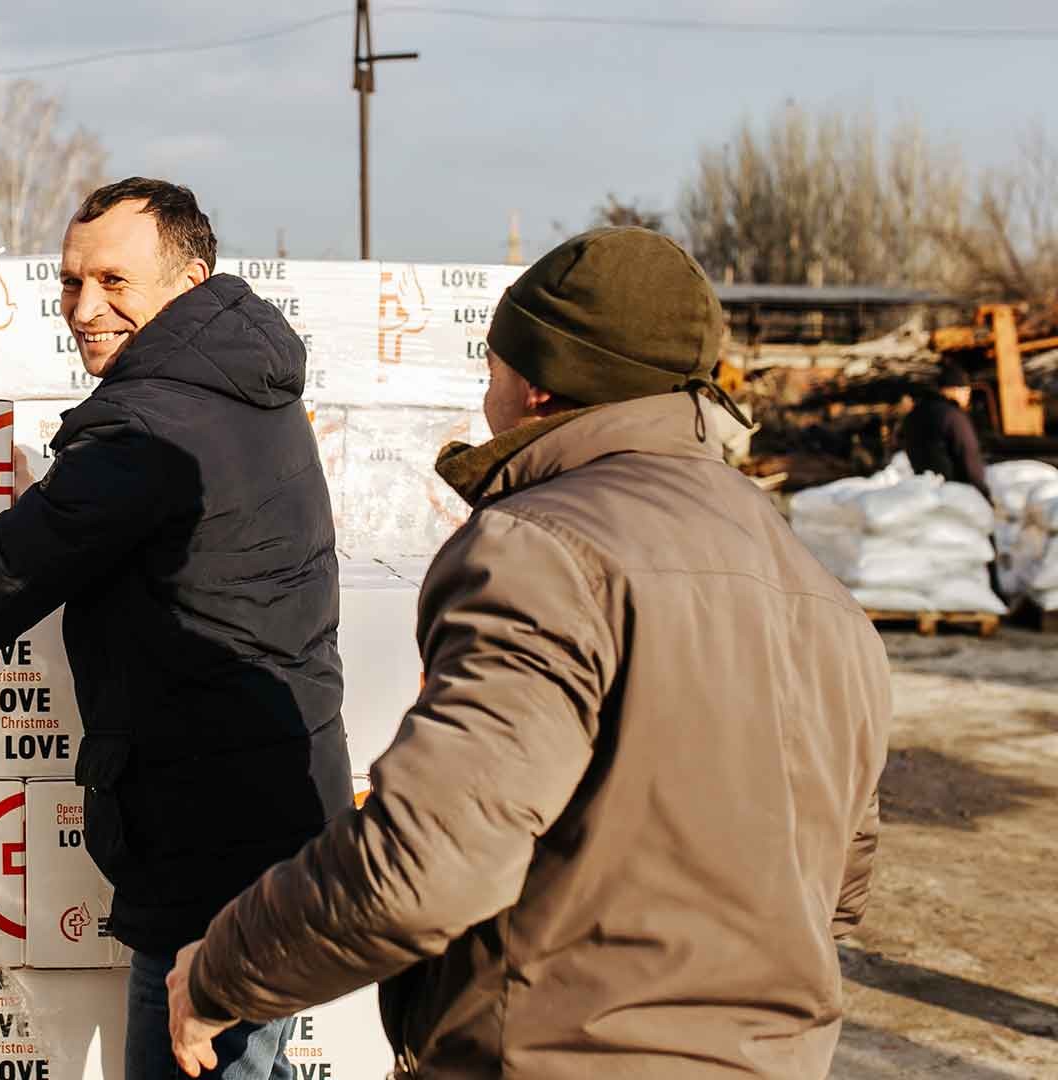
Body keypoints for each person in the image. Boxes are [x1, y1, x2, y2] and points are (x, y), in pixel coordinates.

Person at [163, 227, 893, 1079]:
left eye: (493, 368)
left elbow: (428, 861)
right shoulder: (819, 591)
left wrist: (222, 970)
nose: (486, 394)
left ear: (542, 386)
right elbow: (839, 888)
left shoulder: (540, 554)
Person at [0, 177, 350, 1079]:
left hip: (207, 858)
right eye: (70, 283)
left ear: (189, 278)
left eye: (114, 282)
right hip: (270, 817)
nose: (85, 308)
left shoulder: (146, 430)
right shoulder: (247, 388)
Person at [902, 366, 992, 498]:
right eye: (966, 391)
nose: (968, 397)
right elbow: (969, 457)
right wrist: (983, 494)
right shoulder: (953, 416)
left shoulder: (914, 415)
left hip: (925, 494)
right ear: (953, 390)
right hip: (955, 494)